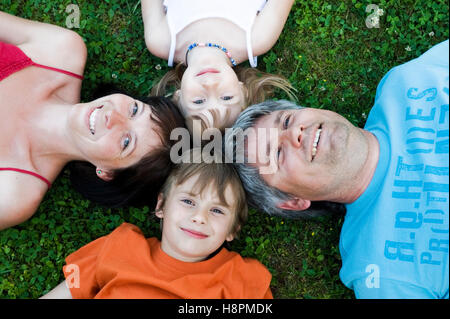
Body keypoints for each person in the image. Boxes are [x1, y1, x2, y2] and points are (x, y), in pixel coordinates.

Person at [225, 40, 449, 298]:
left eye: (286, 121)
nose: (295, 134)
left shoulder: (405, 83)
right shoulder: (381, 271)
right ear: (293, 201)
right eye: (277, 153)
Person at [0, 11, 186, 230]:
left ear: (106, 172)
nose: (113, 116)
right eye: (135, 109)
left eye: (126, 142)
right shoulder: (63, 51)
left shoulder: (15, 194)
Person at [41, 152, 273, 299]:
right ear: (161, 205)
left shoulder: (241, 279)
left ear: (233, 229)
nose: (199, 217)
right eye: (188, 201)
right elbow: (66, 293)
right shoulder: (119, 247)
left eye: (217, 210)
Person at [142, 0, 296, 134]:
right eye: (226, 97)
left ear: (178, 97)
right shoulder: (258, 38)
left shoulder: (160, 40)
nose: (210, 84)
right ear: (243, 91)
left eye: (198, 101)